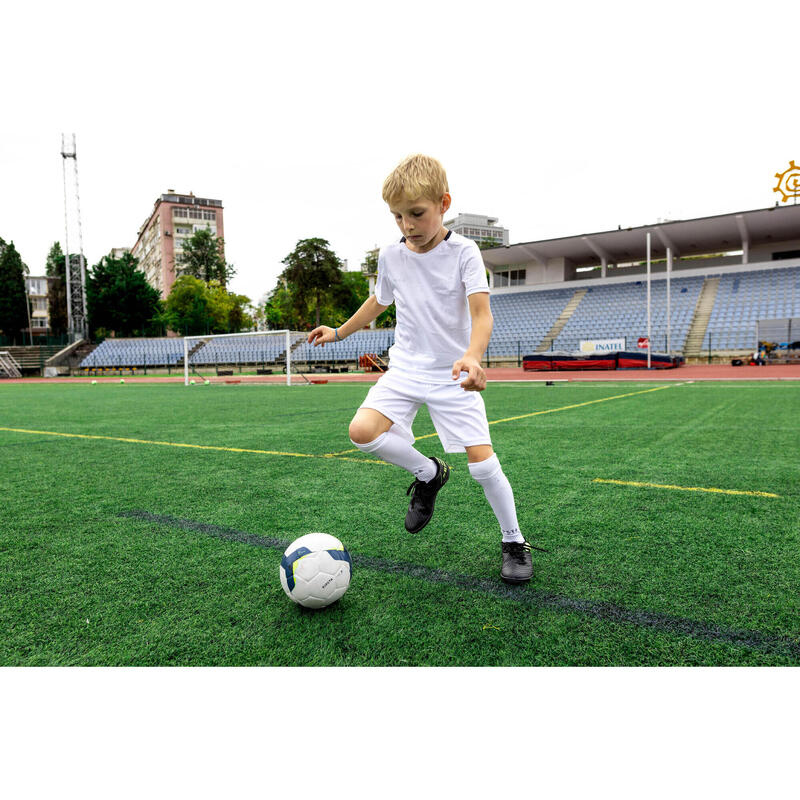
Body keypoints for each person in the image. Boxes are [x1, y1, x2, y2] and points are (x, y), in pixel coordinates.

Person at [308, 154, 542, 584]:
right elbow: (379, 300)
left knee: (482, 465)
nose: (407, 224)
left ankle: (514, 541)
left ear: (443, 203)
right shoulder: (392, 256)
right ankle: (429, 473)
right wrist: (339, 333)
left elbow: (482, 313)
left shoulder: (464, 252)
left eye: (416, 213)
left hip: (452, 372)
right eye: (397, 216)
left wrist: (473, 357)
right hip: (405, 370)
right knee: (361, 432)